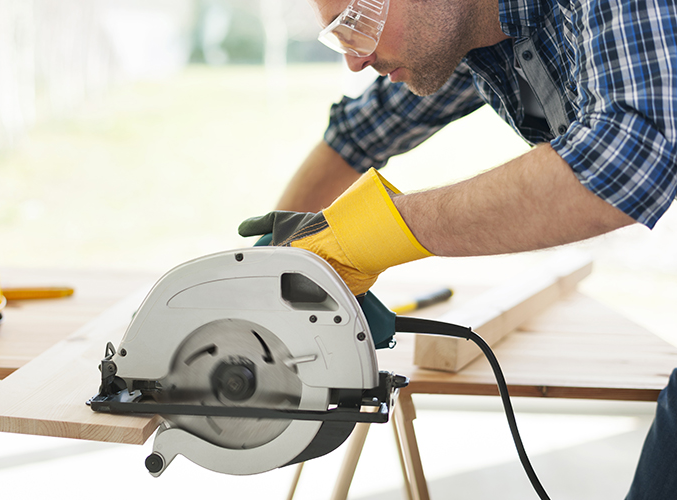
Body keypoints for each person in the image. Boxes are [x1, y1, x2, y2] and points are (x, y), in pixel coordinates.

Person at [238, 0, 677, 497]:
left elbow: (628, 155)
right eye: (338, 36)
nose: (354, 61)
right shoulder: (470, 35)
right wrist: (257, 288)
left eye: (356, 22)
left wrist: (369, 237)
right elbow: (355, 138)